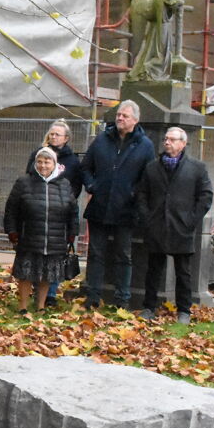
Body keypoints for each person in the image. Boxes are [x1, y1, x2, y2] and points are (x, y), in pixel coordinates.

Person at [135, 127, 213, 324]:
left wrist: (191, 219)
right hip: (157, 225)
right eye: (166, 139)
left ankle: (184, 310)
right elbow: (142, 194)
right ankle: (149, 307)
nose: (167, 142)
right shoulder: (152, 167)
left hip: (182, 226)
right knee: (153, 270)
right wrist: (148, 218)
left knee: (184, 272)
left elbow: (205, 196)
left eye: (172, 139)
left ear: (182, 143)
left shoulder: (196, 167)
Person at [80, 100, 153, 308]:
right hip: (100, 206)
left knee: (123, 255)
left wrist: (133, 194)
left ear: (135, 120)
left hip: (126, 209)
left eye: (125, 116)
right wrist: (92, 186)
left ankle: (123, 299)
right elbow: (86, 167)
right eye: (119, 115)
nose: (120, 118)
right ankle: (92, 296)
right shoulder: (102, 139)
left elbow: (147, 178)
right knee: (96, 253)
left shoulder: (145, 145)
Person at [5, 147, 79, 313]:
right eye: (40, 161)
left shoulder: (64, 184)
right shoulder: (23, 182)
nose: (43, 165)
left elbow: (73, 211)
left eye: (47, 161)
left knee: (47, 274)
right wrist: (12, 231)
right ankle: (23, 306)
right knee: (25, 274)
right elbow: (11, 210)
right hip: (29, 236)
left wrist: (72, 233)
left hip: (55, 238)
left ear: (54, 163)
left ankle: (40, 306)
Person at [25, 118, 83, 306]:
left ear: (66, 138)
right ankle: (35, 289)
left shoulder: (72, 161)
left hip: (60, 215)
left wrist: (63, 203)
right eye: (51, 133)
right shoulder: (37, 154)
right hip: (38, 212)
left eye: (57, 134)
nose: (53, 136)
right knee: (36, 253)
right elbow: (28, 178)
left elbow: (76, 186)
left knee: (55, 255)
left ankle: (50, 294)